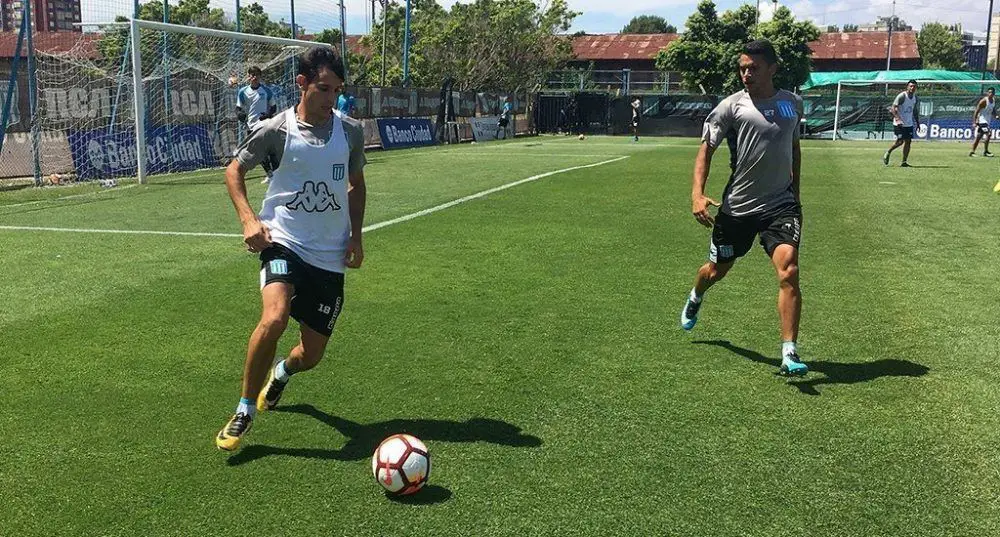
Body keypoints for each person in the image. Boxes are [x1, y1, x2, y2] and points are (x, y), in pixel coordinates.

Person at [216, 46, 368, 452]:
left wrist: (356, 236)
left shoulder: (349, 131)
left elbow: (356, 184)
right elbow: (234, 171)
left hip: (329, 255)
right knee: (275, 316)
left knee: (312, 355)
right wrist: (249, 220)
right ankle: (245, 408)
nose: (331, 98)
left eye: (336, 90)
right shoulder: (276, 130)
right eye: (323, 88)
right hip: (284, 241)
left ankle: (281, 373)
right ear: (301, 84)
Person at [679, 39, 808, 377]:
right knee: (716, 270)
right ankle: (696, 294)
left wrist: (795, 192)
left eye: (754, 68)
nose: (746, 74)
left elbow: (794, 149)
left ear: (772, 69)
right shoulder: (730, 107)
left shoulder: (792, 103)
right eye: (742, 68)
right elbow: (705, 149)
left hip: (780, 205)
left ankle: (789, 352)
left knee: (789, 269)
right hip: (738, 208)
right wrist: (697, 194)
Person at [236, 66, 278, 183]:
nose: (254, 77)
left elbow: (274, 107)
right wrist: (239, 114)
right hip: (251, 126)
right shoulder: (243, 92)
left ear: (260, 77)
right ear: (248, 76)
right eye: (252, 75)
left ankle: (276, 174)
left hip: (265, 125)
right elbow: (238, 107)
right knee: (259, 153)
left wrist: (268, 115)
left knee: (270, 150)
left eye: (256, 75)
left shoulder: (266, 91)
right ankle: (270, 175)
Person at [882, 79, 921, 167]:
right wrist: (897, 119)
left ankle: (904, 162)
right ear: (907, 87)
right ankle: (888, 152)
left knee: (908, 142)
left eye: (914, 86)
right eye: (911, 86)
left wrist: (918, 123)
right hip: (899, 123)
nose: (912, 88)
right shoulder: (902, 96)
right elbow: (893, 108)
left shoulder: (915, 98)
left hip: (909, 123)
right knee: (900, 142)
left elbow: (915, 111)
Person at [970, 87, 996, 157]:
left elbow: (993, 109)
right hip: (982, 121)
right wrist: (974, 122)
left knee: (978, 137)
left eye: (992, 92)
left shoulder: (993, 100)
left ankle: (972, 152)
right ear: (987, 93)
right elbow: (976, 111)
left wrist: (995, 115)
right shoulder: (984, 101)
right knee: (989, 133)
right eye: (990, 92)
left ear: (994, 93)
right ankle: (986, 151)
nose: (991, 94)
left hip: (987, 121)